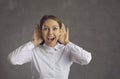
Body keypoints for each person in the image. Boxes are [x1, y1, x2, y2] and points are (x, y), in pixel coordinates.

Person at [8, 15, 92, 79]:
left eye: (55, 29)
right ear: (41, 32)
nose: (50, 33)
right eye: (46, 29)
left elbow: (86, 59)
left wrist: (67, 42)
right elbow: (13, 59)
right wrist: (33, 42)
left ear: (60, 32)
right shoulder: (34, 51)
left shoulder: (67, 50)